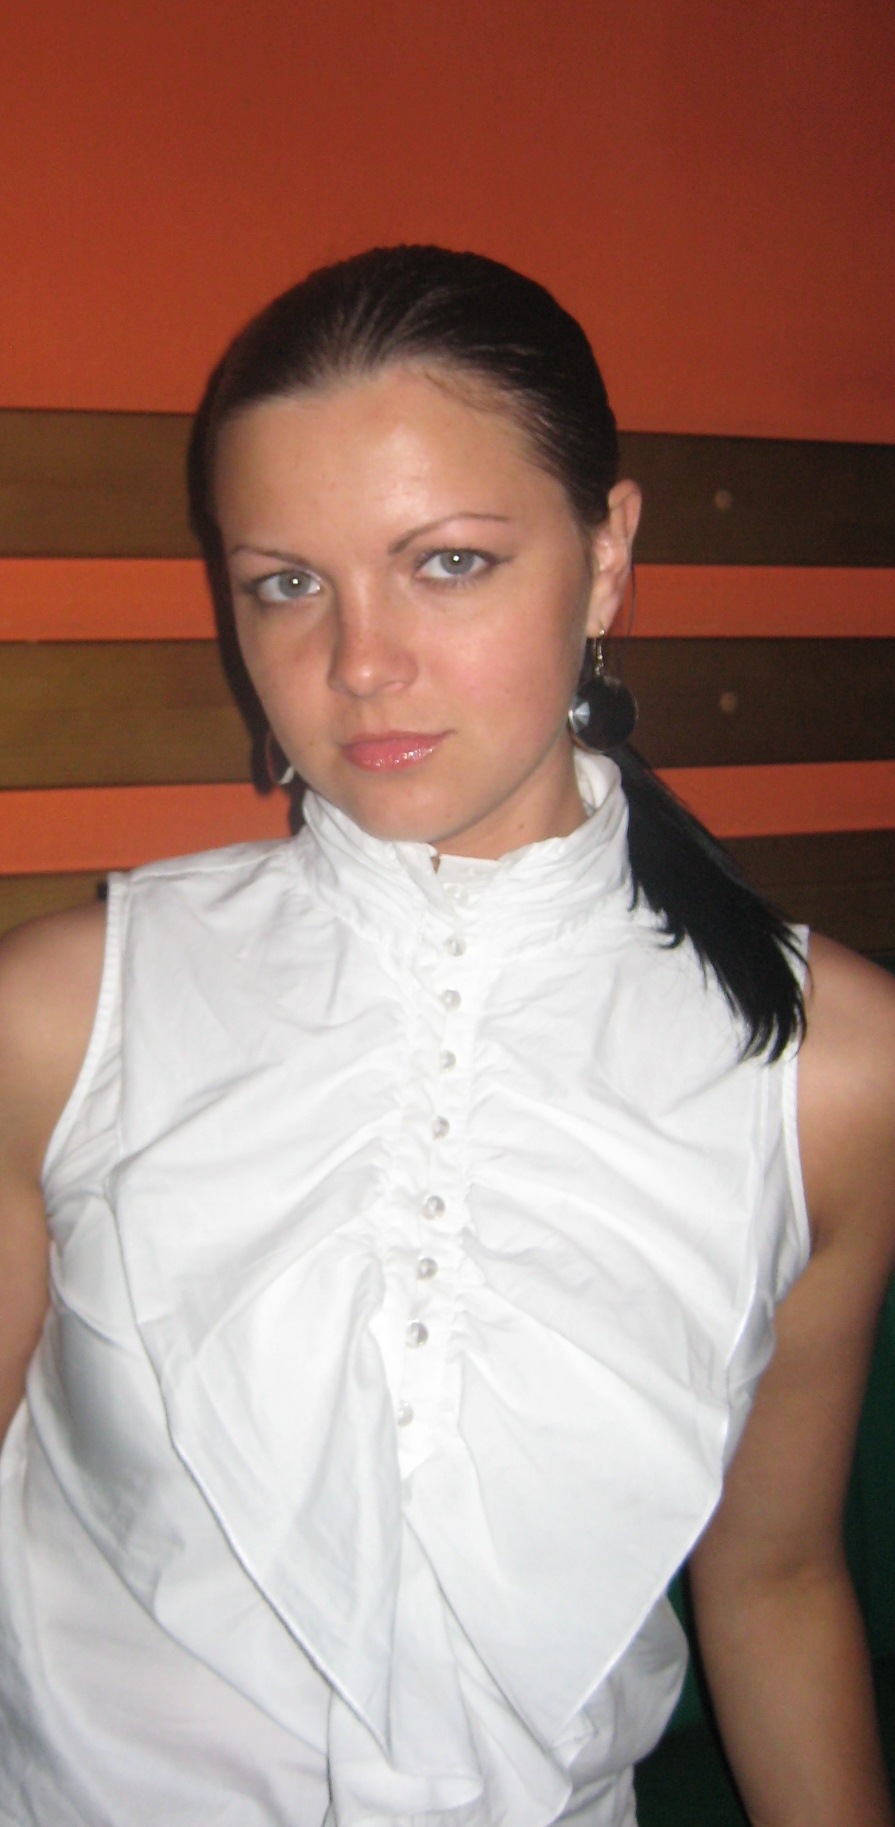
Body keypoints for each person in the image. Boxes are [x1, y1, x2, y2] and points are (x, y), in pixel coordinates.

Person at [0, 246, 893, 1827]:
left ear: (606, 559)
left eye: (451, 563)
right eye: (287, 583)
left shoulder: (831, 1070)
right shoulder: (58, 1021)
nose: (360, 664)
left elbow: (774, 1583)